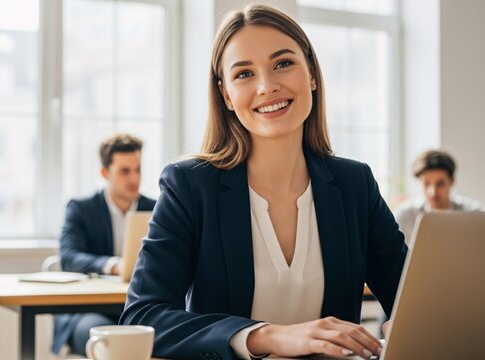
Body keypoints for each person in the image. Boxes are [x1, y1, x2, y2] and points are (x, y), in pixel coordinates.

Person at [119, 4, 407, 360]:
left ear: (312, 74)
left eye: (283, 64)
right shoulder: (190, 187)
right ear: (226, 95)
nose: (267, 86)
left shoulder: (354, 184)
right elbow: (143, 318)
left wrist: (408, 324)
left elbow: (412, 300)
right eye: (243, 74)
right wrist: (267, 336)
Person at [52, 133, 156, 356]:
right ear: (105, 173)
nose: (134, 178)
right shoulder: (81, 208)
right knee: (109, 341)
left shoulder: (158, 209)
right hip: (89, 309)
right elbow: (69, 257)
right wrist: (112, 265)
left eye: (137, 169)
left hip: (138, 307)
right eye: (124, 171)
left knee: (165, 336)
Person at [394, 150, 482, 244]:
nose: (433, 192)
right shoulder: (404, 215)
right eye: (426, 184)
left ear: (452, 181)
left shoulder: (476, 214)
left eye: (440, 184)